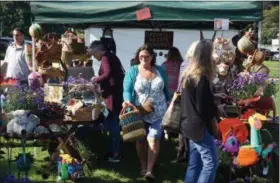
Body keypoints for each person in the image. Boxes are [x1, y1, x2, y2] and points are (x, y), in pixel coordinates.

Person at [123, 44, 170, 181]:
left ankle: (150, 169)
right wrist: (127, 100)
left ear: (152, 57)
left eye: (146, 56)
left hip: (159, 111)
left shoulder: (160, 70)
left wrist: (169, 100)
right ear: (138, 57)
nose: (143, 58)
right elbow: (127, 89)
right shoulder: (133, 71)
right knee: (141, 139)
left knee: (154, 138)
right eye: (141, 56)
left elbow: (165, 88)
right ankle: (143, 165)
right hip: (140, 111)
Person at [180, 40, 219, 183]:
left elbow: (196, 100)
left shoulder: (189, 74)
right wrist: (216, 110)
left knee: (195, 164)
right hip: (198, 127)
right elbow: (204, 109)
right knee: (211, 163)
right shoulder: (200, 77)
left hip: (188, 123)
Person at [88, 40, 125, 163]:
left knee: (113, 125)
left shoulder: (105, 58)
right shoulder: (111, 56)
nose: (94, 57)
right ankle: (114, 150)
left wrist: (95, 80)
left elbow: (108, 74)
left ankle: (116, 154)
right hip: (115, 94)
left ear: (98, 50)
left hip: (112, 97)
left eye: (94, 54)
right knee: (111, 123)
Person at [176, 41, 199, 163]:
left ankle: (182, 152)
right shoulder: (198, 65)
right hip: (192, 99)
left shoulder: (184, 63)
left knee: (184, 128)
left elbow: (180, 83)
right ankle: (189, 154)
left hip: (184, 99)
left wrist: (177, 93)